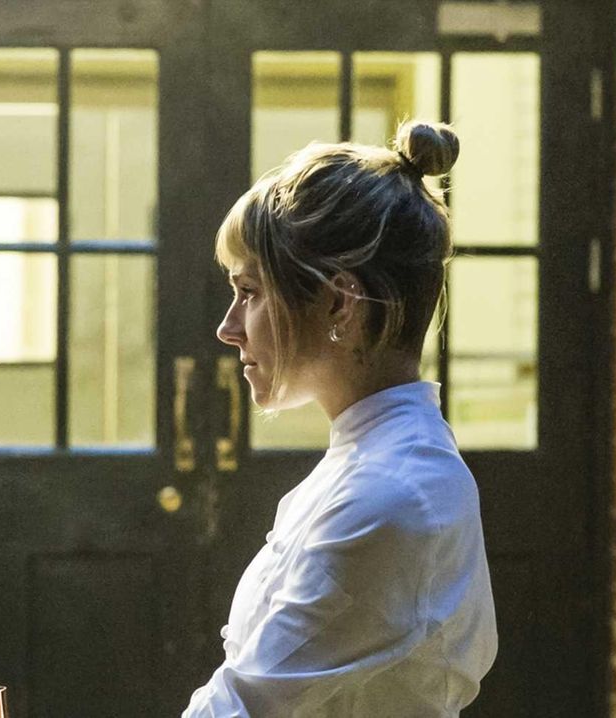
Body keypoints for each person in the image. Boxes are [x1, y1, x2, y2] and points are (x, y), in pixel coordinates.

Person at [183, 121, 498, 717]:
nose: (228, 327)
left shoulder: (393, 494)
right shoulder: (365, 466)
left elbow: (240, 709)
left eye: (249, 292)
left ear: (337, 301)